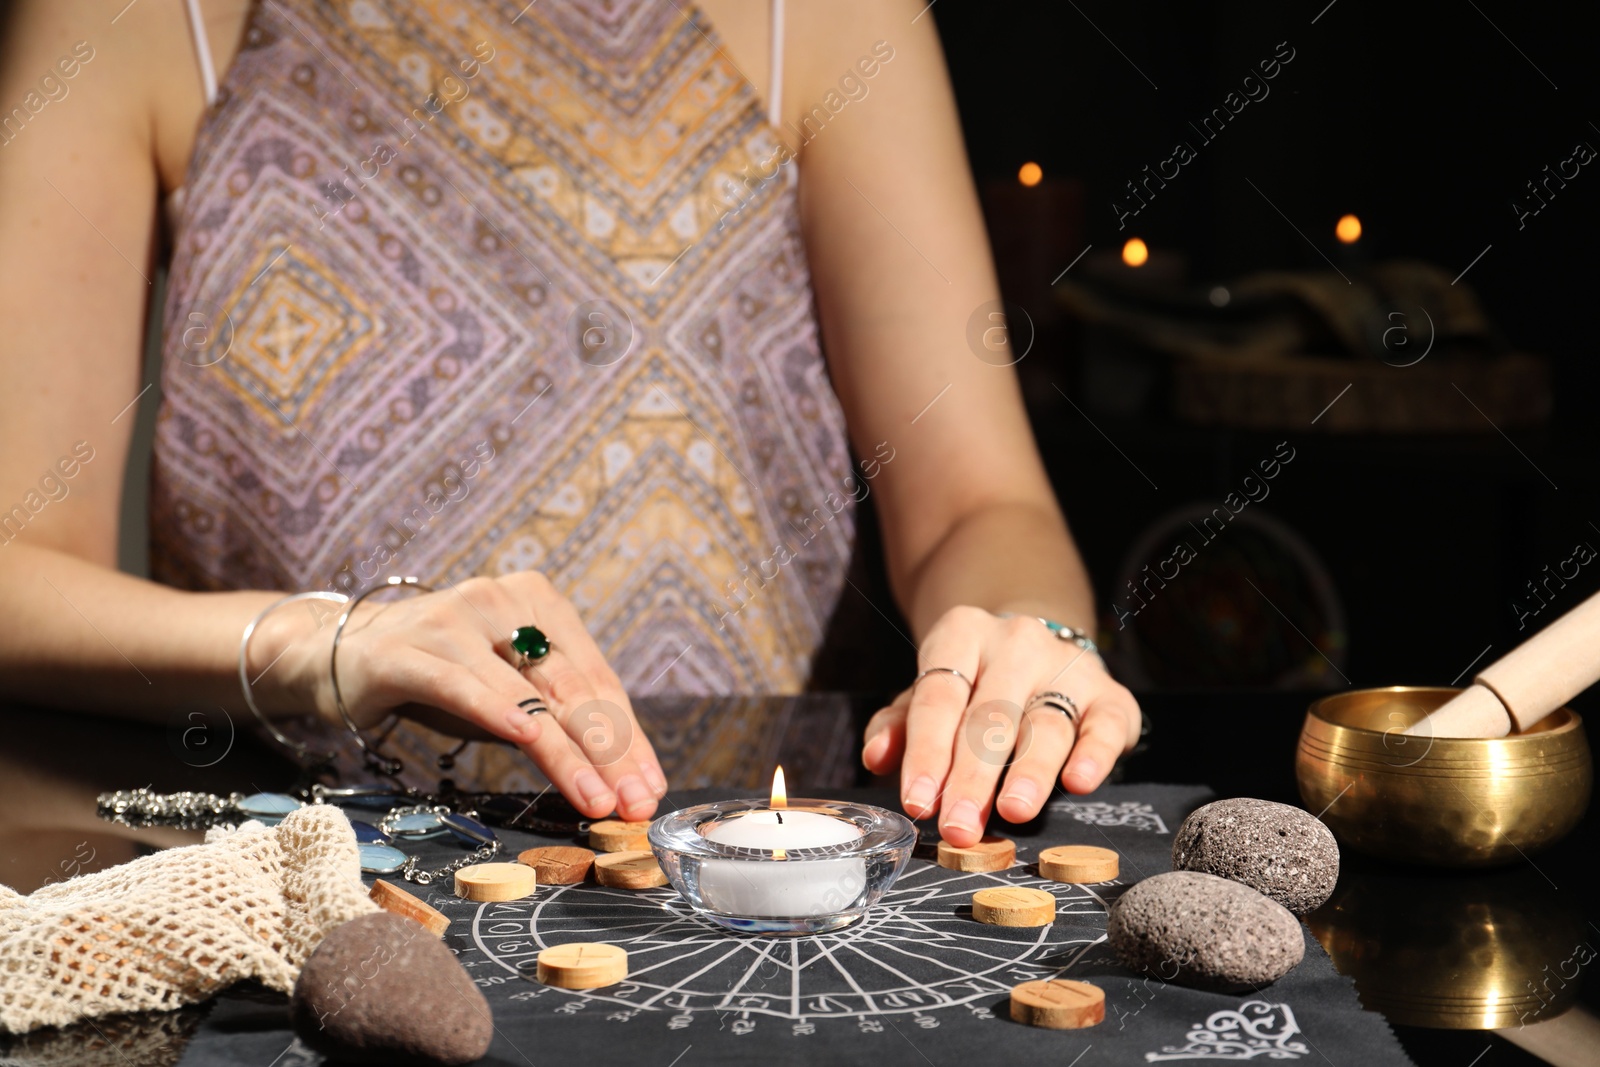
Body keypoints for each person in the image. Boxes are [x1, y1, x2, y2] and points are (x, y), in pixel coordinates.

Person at [0, 0, 1140, 845]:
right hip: (299, 864)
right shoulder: (145, 19)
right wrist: (327, 640)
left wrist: (1021, 645)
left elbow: (977, 505)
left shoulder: (823, 17)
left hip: (749, 870)